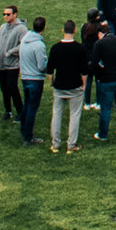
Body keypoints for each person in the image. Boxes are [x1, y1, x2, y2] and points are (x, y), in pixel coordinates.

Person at [47, 19, 88, 152]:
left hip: (59, 86)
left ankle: (55, 144)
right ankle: (71, 144)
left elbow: (49, 70)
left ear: (63, 30)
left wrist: (51, 83)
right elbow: (84, 71)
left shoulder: (55, 48)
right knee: (75, 115)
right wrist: (84, 85)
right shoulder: (80, 48)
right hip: (75, 87)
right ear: (75, 31)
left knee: (57, 114)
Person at [91, 14, 116, 140]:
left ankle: (103, 134)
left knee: (106, 108)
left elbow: (94, 63)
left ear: (100, 34)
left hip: (107, 80)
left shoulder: (99, 44)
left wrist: (99, 76)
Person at [17, 17, 48, 145]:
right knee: (32, 109)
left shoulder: (24, 41)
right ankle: (28, 137)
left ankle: (24, 130)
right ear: (44, 28)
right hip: (35, 79)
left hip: (25, 77)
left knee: (27, 105)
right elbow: (41, 66)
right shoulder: (39, 45)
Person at [0, 5, 26, 125]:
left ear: (15, 15)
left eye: (8, 14)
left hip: (12, 64)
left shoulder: (21, 29)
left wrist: (10, 52)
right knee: (4, 88)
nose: (5, 16)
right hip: (1, 63)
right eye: (4, 14)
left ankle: (20, 111)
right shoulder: (2, 27)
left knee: (12, 87)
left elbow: (23, 45)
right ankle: (8, 110)